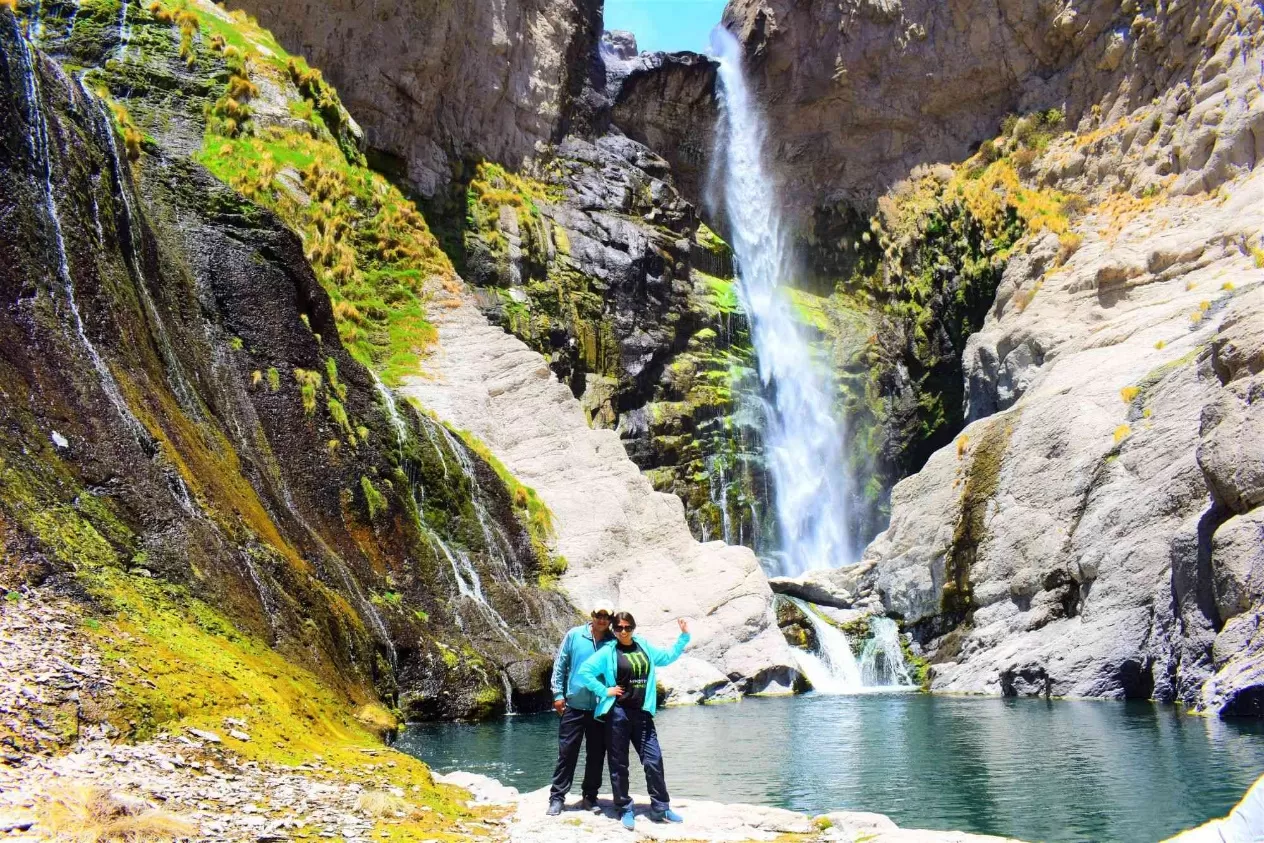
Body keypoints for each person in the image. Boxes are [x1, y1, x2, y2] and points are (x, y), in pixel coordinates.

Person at [578, 612, 690, 830]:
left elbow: (667, 657)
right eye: (618, 628)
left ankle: (661, 807)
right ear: (614, 630)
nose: (623, 631)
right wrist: (604, 690)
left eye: (627, 627)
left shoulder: (643, 646)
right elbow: (585, 672)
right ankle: (624, 807)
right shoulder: (609, 651)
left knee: (653, 760)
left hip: (642, 713)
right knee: (619, 764)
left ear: (633, 628)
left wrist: (683, 637)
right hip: (617, 713)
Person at [546, 604, 615, 816]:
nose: (602, 619)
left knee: (596, 755)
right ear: (592, 615)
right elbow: (561, 664)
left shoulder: (613, 642)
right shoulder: (574, 635)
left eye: (606, 616)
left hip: (600, 708)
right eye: (599, 615)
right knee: (567, 753)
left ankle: (590, 796)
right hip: (573, 706)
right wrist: (557, 694)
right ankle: (557, 798)